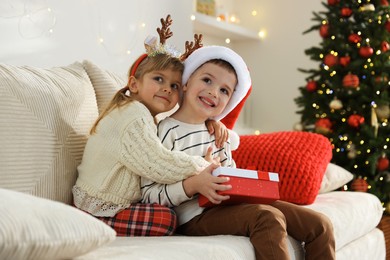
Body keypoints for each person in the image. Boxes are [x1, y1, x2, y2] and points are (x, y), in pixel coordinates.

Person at [141, 45, 336, 259]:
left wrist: (243, 184)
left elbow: (231, 180)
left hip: (229, 206)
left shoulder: (219, 134)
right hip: (194, 216)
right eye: (207, 80)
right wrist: (194, 185)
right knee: (267, 217)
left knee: (320, 225)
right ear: (186, 83)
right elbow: (149, 195)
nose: (214, 92)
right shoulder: (165, 131)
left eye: (224, 90)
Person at [72, 15, 229, 236]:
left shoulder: (143, 115)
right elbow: (157, 162)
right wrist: (202, 165)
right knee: (166, 219)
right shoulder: (133, 115)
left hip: (109, 203)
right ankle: (91, 227)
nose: (167, 89)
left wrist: (213, 122)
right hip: (99, 206)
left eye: (174, 85)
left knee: (165, 215)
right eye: (159, 79)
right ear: (134, 84)